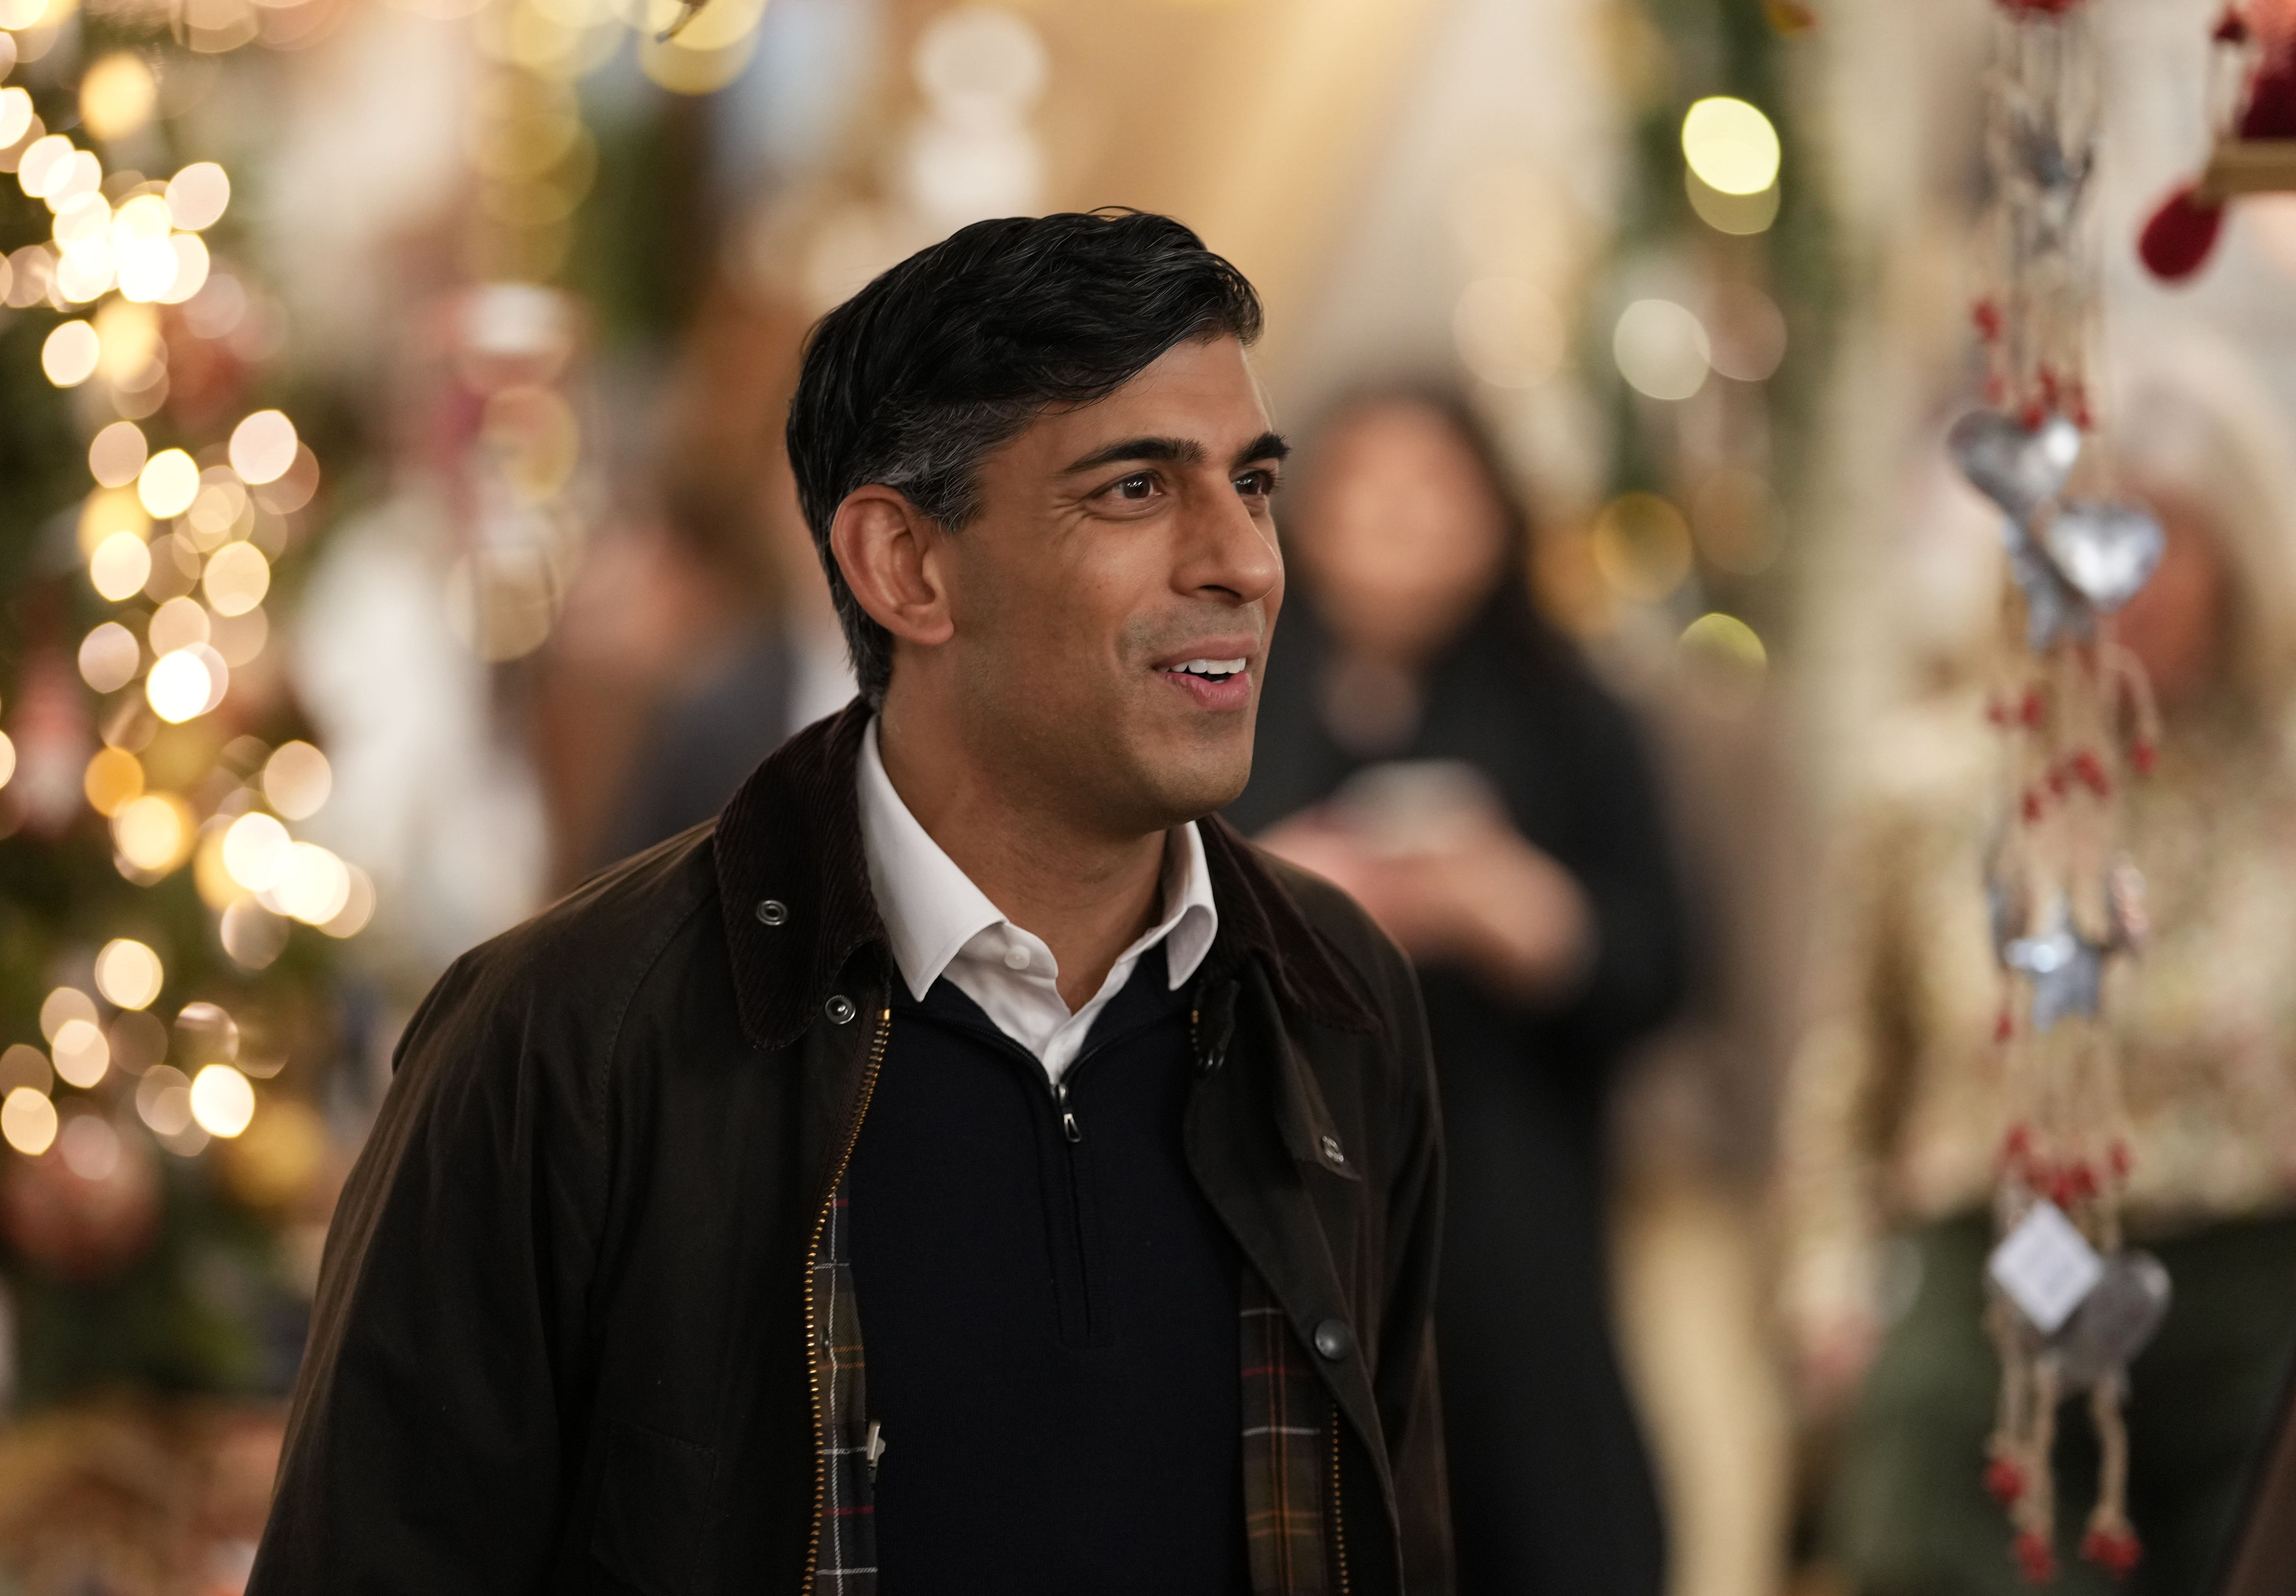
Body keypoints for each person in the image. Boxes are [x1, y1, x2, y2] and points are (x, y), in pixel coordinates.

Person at [249, 212, 1452, 1594]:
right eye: (1135, 489)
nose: (1241, 561)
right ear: (905, 566)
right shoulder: (567, 1043)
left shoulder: (1332, 998)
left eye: (1253, 485)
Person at [1782, 350, 2296, 1596]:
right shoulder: (1929, 793)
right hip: (1997, 1272)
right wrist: (1830, 1283)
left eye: (2167, 544)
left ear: (2240, 558)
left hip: (2267, 1279)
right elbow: (1851, 1074)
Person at [1226, 391, 1686, 1596]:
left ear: (1494, 518)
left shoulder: (1574, 712)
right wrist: (1294, 892)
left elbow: (1664, 964)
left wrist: (1529, 919)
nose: (1398, 522)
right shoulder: (1225, 698)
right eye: (1366, 491)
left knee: (1542, 1521)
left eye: (1433, 490)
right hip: (1281, 1202)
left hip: (1512, 1209)